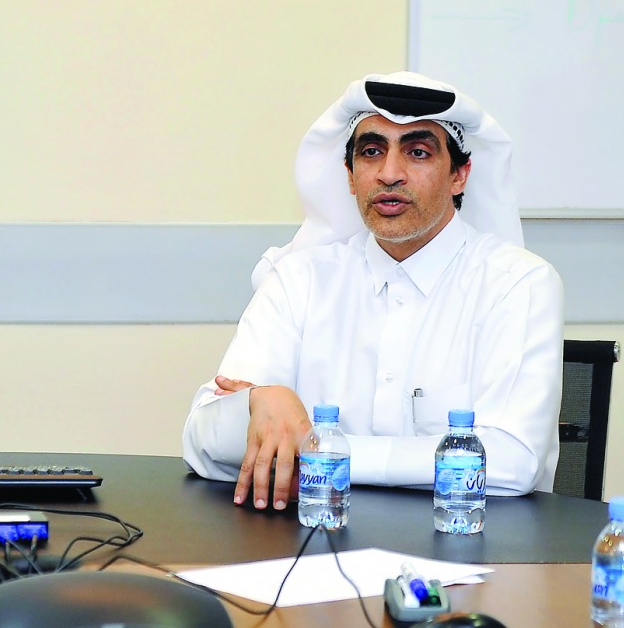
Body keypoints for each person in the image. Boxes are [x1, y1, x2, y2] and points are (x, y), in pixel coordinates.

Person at [181, 71, 563, 511]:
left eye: (417, 152)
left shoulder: (518, 285)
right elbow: (201, 439)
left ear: (460, 175)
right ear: (349, 175)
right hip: (313, 549)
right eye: (371, 152)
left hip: (470, 555)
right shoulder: (299, 279)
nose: (389, 173)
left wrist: (313, 447)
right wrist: (258, 404)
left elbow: (512, 461)